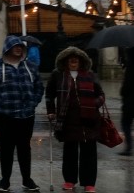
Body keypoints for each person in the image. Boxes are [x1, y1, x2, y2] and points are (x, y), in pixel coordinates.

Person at [0, 35, 44, 193]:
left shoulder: (30, 66)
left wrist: (33, 102)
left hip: (26, 116)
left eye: (20, 47)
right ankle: (5, 180)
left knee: (24, 148)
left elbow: (39, 86)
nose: (18, 48)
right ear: (8, 48)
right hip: (5, 115)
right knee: (6, 149)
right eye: (15, 46)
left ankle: (27, 179)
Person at [45, 46, 105, 193]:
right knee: (70, 151)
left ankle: (89, 182)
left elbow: (101, 94)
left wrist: (93, 104)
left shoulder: (90, 75)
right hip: (68, 119)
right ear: (65, 61)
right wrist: (51, 111)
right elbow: (49, 95)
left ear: (81, 61)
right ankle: (70, 180)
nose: (74, 61)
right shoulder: (58, 75)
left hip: (89, 119)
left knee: (89, 152)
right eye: (71, 59)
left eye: (76, 59)